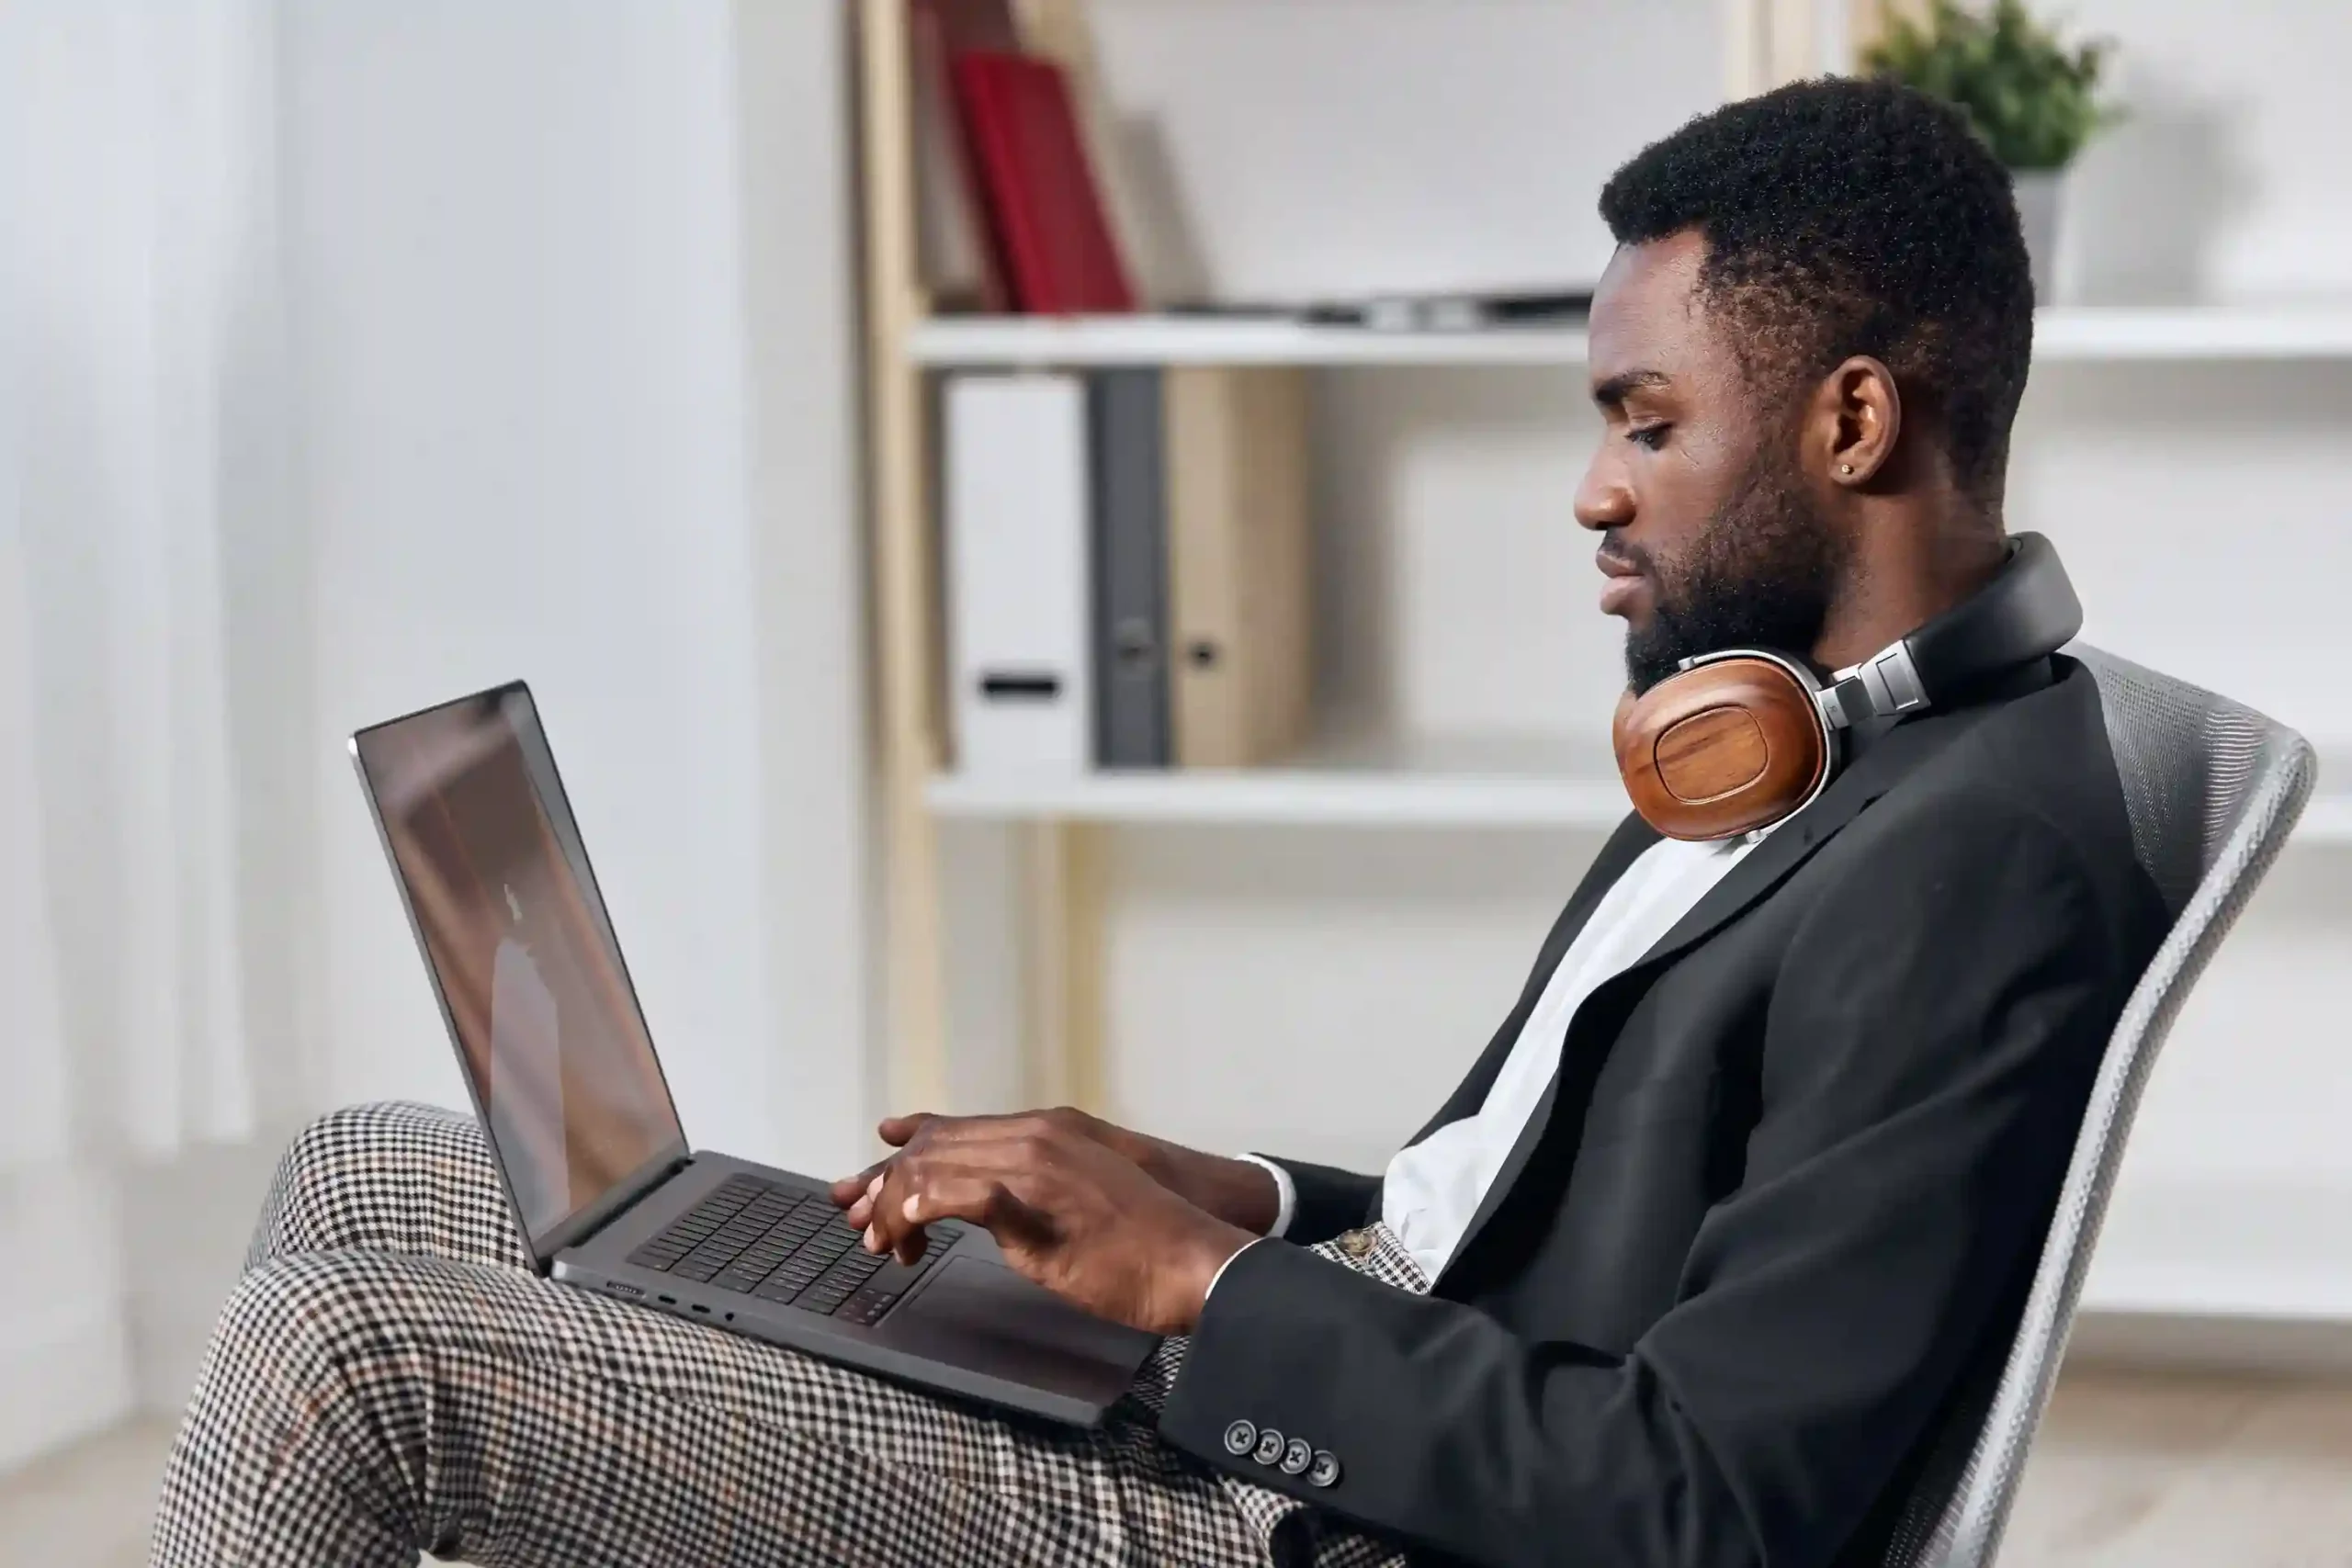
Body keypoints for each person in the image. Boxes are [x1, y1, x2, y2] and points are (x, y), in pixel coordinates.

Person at [150, 78, 2166, 1568]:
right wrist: (1221, 1198)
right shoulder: (1773, 738)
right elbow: (1538, 1217)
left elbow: (1707, 1506)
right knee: (373, 1174)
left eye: (1643, 421)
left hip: (1299, 1521)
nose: (1589, 489)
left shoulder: (1969, 859)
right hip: (1308, 1393)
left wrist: (1201, 1296)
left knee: (356, 1350)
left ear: (1848, 422)